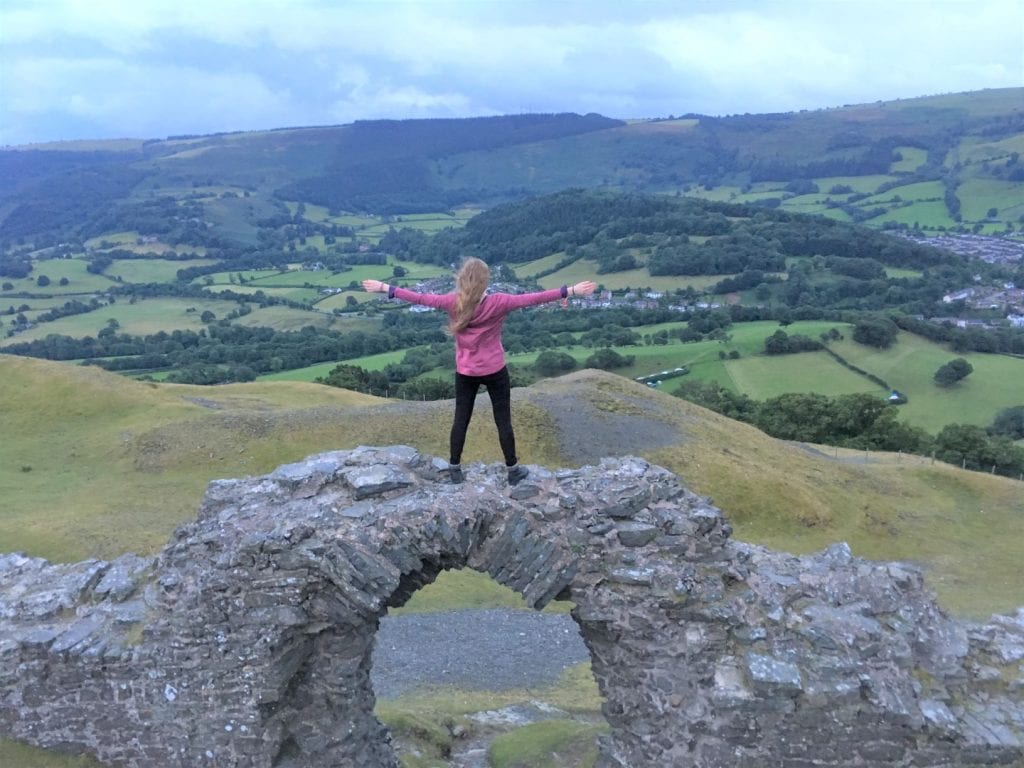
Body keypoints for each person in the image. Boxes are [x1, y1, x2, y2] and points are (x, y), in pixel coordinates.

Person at [362, 258, 596, 485]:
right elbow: (534, 298)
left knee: (461, 419)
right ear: (485, 281)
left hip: (465, 371)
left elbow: (421, 298)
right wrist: (571, 290)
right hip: (495, 369)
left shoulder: (452, 302)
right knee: (503, 420)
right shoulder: (499, 302)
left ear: (462, 279)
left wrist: (384, 287)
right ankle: (513, 471)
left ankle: (454, 469)